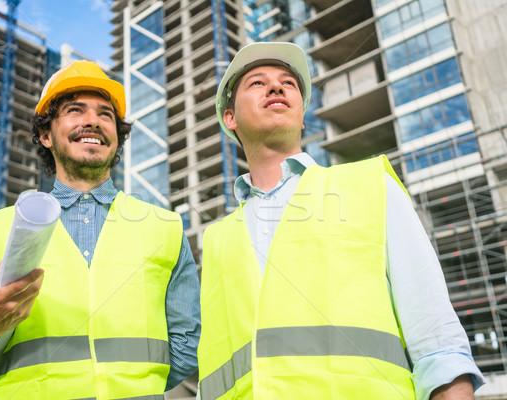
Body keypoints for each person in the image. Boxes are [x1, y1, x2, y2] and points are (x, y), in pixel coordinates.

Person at [197, 42, 484, 399]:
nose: (276, 87)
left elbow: (436, 339)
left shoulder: (370, 186)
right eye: (257, 83)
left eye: (288, 83)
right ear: (230, 118)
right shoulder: (217, 240)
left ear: (302, 116)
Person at [0, 60, 200, 399]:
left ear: (117, 138)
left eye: (106, 115)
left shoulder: (166, 227)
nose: (92, 121)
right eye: (75, 110)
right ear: (45, 135)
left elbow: (186, 346)